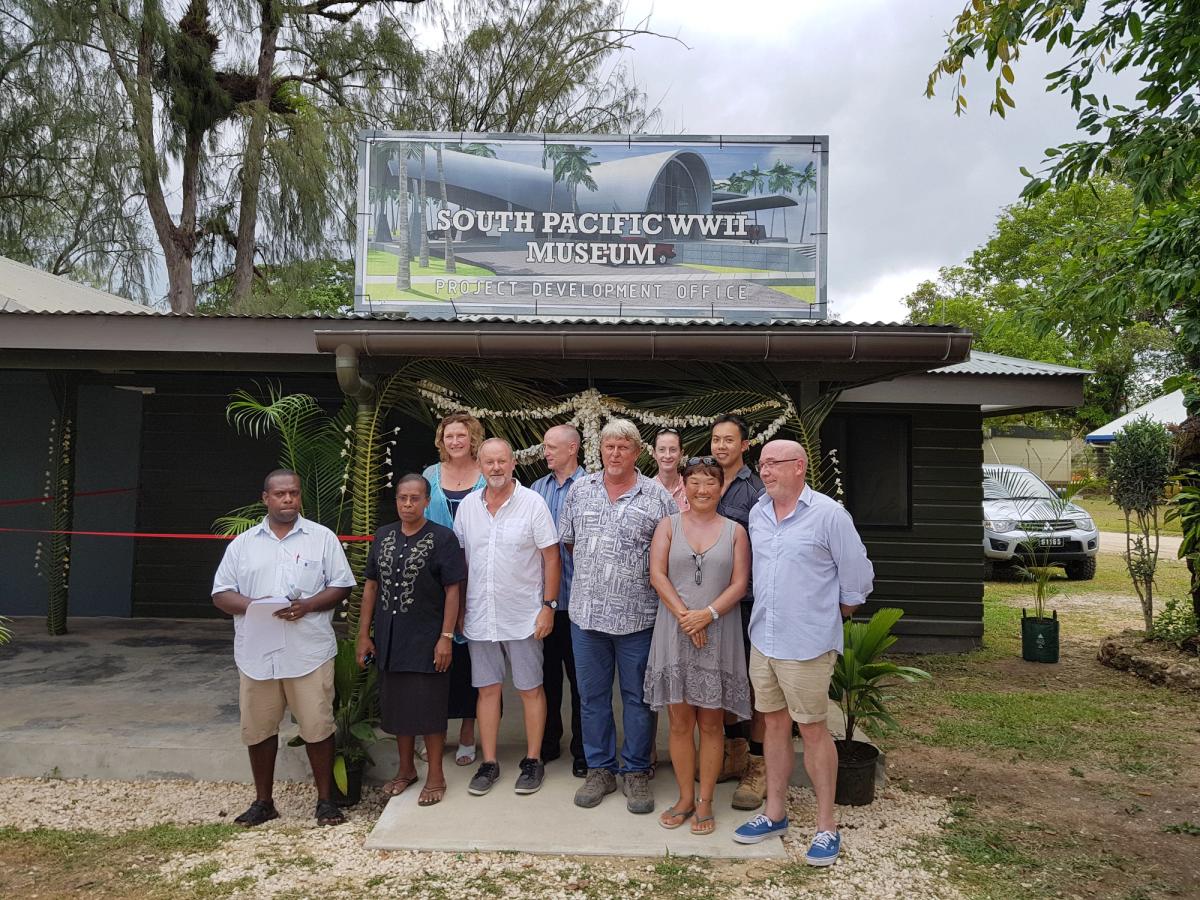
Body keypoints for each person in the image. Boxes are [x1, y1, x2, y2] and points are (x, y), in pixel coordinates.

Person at [732, 440, 874, 869]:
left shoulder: (829, 515)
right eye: (762, 465)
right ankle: (774, 812)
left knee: (812, 729)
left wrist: (827, 614)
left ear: (799, 466)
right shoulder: (758, 512)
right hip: (765, 640)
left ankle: (827, 825)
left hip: (807, 644)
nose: (766, 471)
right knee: (773, 725)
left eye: (773, 464)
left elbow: (857, 580)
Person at [211, 469, 355, 828]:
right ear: (266, 499)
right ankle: (263, 801)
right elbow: (220, 593)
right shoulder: (242, 545)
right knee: (259, 729)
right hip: (258, 655)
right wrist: (253, 606)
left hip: (307, 652)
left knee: (317, 725)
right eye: (280, 494)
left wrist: (308, 605)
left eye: (293, 493)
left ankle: (325, 801)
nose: (288, 499)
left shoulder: (321, 539)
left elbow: (342, 585)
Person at [560, 418, 677, 815]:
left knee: (638, 699)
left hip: (639, 618)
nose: (614, 453)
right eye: (609, 446)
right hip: (587, 617)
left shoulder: (657, 497)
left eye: (623, 447)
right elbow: (571, 546)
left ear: (637, 452)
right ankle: (600, 768)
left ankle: (637, 770)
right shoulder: (581, 491)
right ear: (600, 450)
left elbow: (668, 555)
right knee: (591, 697)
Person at [644, 457, 751, 836]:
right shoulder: (668, 525)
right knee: (679, 722)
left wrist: (706, 614)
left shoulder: (736, 531)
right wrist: (686, 616)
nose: (702, 489)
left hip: (718, 633)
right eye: (695, 482)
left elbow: (740, 584)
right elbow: (657, 574)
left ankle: (706, 800)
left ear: (720, 487)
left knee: (710, 723)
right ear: (683, 487)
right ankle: (684, 797)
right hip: (674, 631)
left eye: (710, 482)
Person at [453, 438, 561, 797]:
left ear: (513, 463)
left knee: (530, 688)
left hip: (524, 614)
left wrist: (549, 605)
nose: (495, 468)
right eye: (489, 462)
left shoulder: (533, 503)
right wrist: (459, 611)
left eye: (502, 461)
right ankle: (489, 762)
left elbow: (551, 557)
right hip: (481, 615)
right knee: (487, 690)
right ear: (480, 466)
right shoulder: (468, 506)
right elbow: (463, 563)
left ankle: (533, 761)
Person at [355, 473, 466, 807]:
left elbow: (453, 590)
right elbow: (371, 585)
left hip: (427, 637)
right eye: (402, 498)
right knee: (398, 707)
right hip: (390, 638)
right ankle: (406, 770)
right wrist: (364, 635)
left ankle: (435, 774)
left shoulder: (443, 538)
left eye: (414, 498)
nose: (407, 504)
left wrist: (446, 637)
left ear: (426, 501)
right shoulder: (384, 535)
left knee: (429, 708)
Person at [710, 413, 768, 810]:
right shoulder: (705, 482)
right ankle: (732, 754)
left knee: (755, 683)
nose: (721, 446)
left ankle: (759, 764)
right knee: (724, 680)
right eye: (716, 439)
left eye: (729, 440)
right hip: (711, 603)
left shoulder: (758, 492)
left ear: (744, 445)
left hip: (747, 602)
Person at [422, 411, 486, 767]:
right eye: (450, 436)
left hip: (478, 576)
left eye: (461, 435)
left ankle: (467, 729)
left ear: (472, 438)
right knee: (433, 655)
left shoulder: (485, 472)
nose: (456, 441)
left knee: (470, 658)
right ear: (441, 440)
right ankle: (433, 728)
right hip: (436, 577)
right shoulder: (430, 475)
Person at [530, 424, 587, 778]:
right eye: (545, 446)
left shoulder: (591, 487)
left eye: (552, 447)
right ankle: (549, 742)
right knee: (546, 677)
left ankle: (584, 749)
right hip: (545, 604)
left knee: (583, 682)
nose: (546, 452)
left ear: (572, 448)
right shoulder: (536, 489)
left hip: (580, 602)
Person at [651, 427, 689, 512]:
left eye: (673, 450)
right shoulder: (646, 490)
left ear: (681, 454)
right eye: (662, 450)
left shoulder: (691, 487)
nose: (667, 455)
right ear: (654, 453)